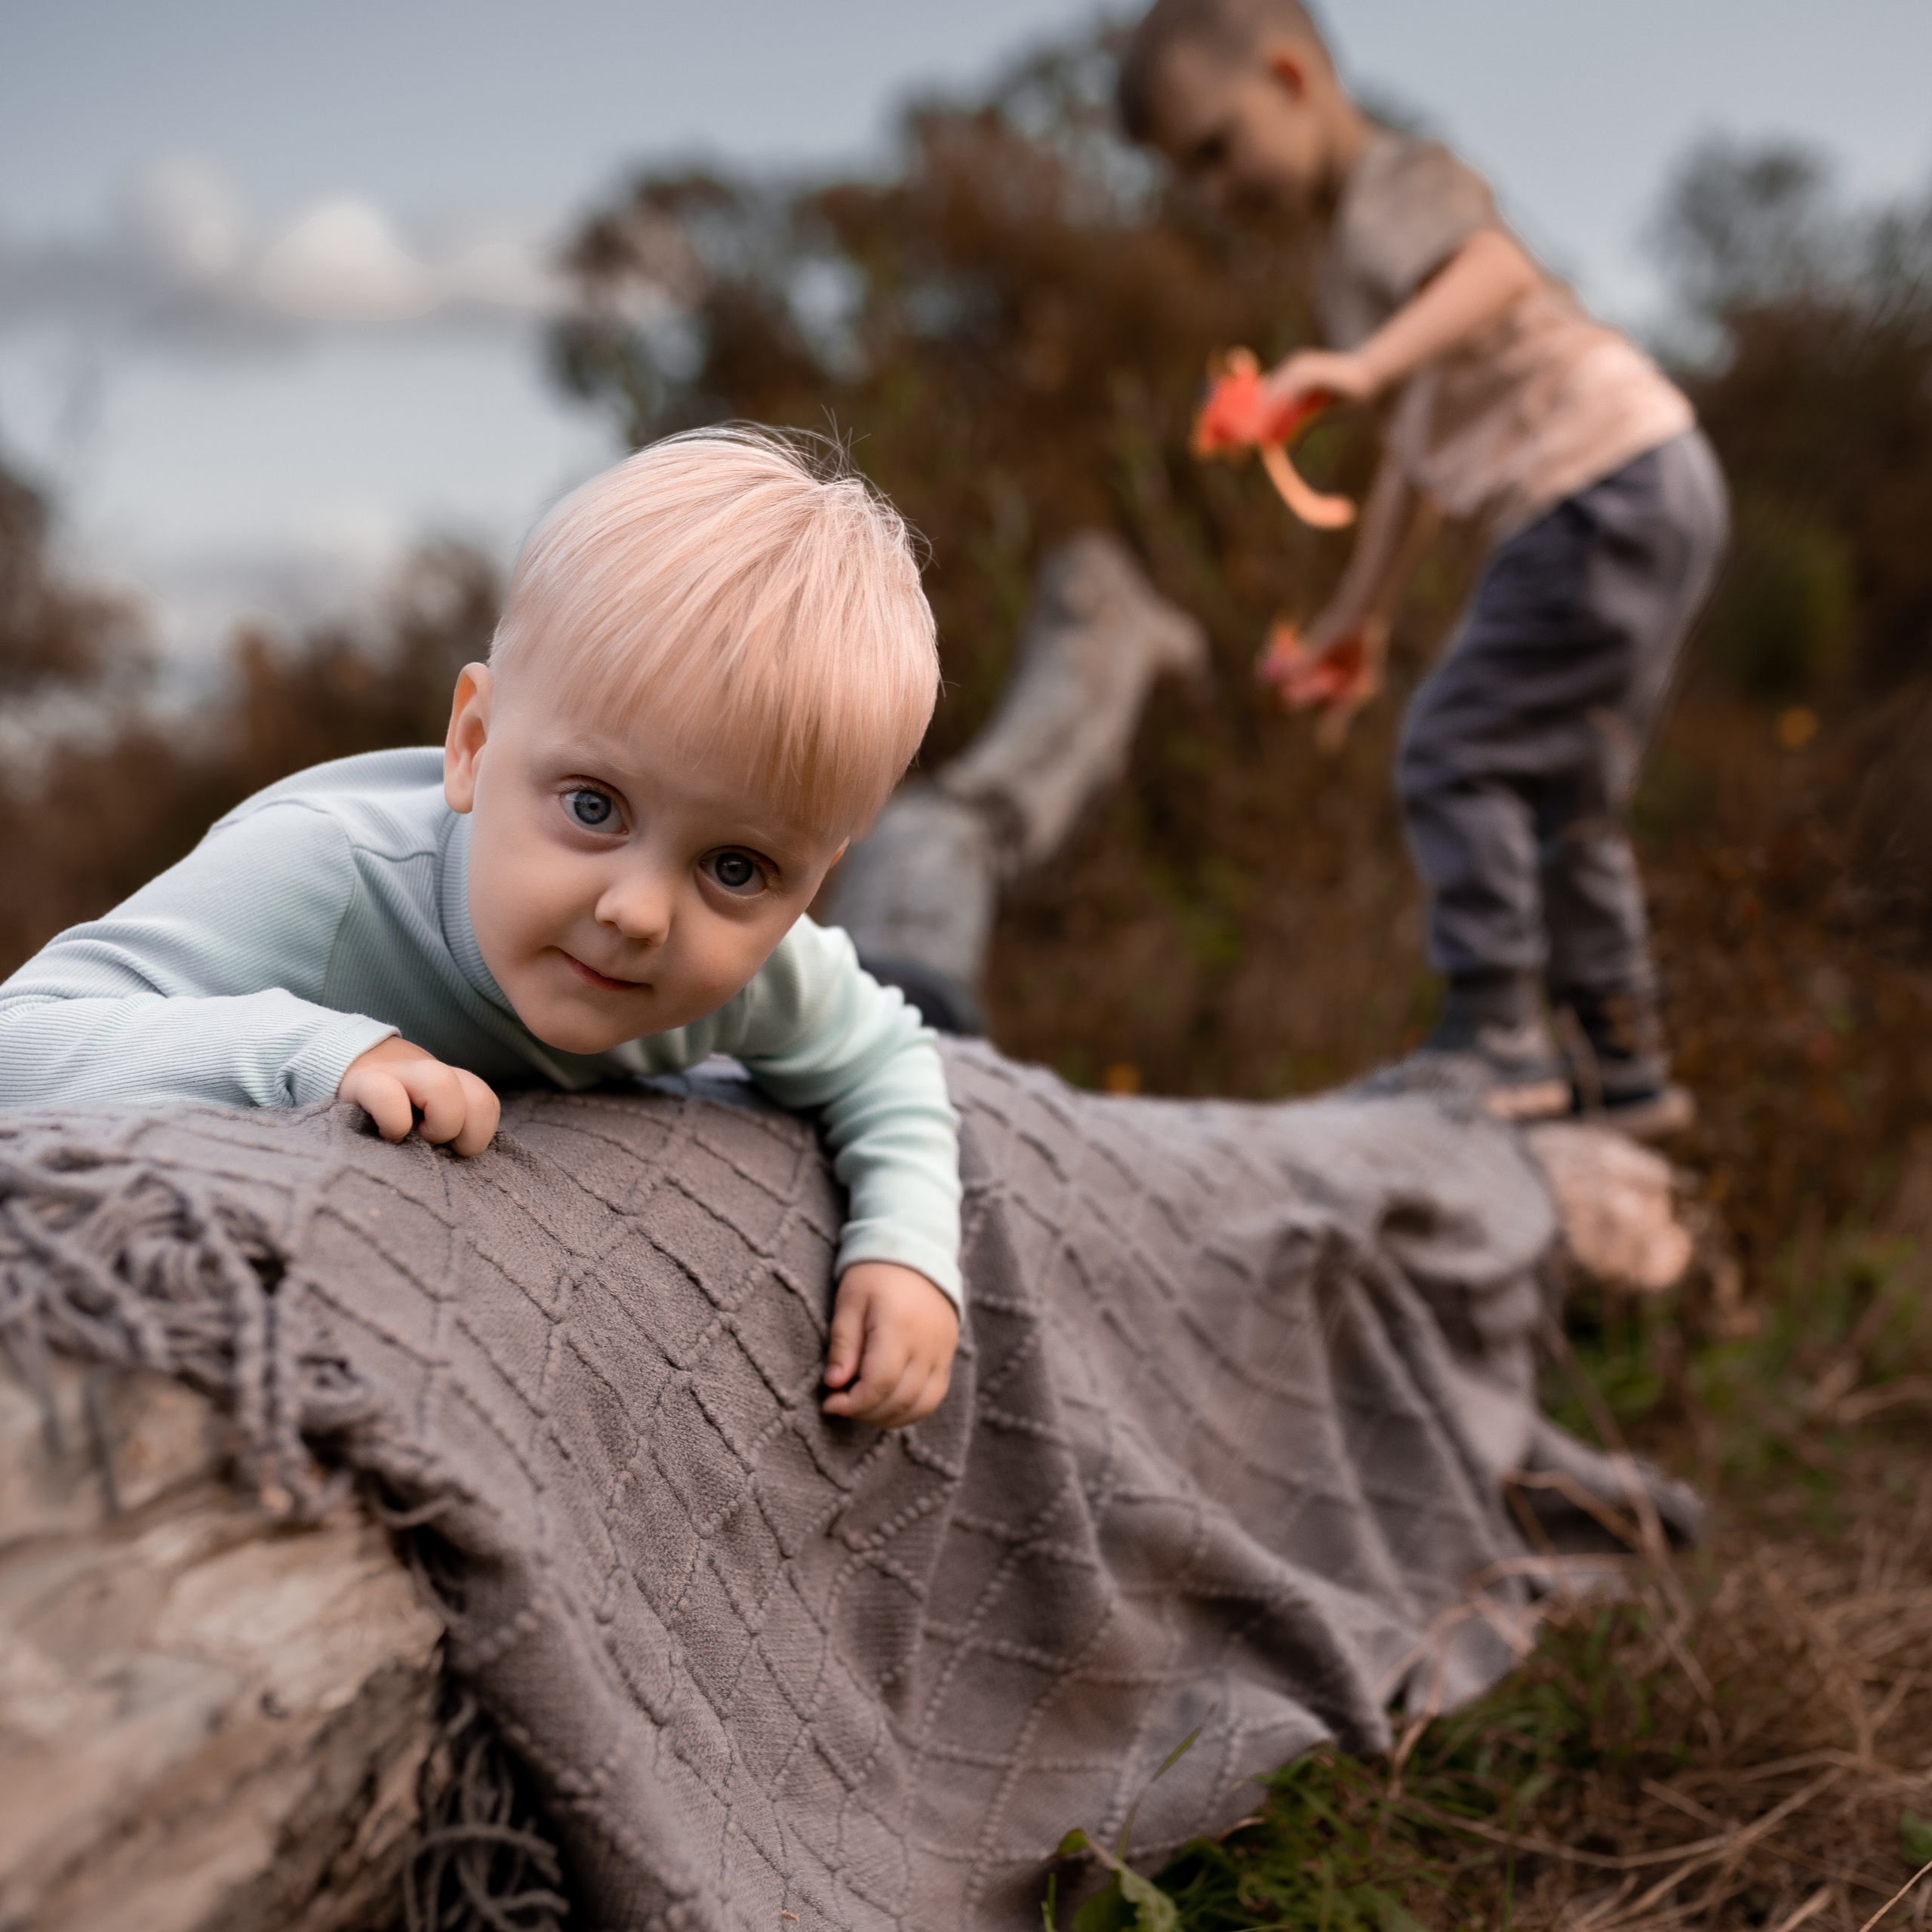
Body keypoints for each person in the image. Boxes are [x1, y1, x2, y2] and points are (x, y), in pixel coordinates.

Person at [0, 429, 963, 1427]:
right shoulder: (323, 879)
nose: (637, 914)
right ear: (472, 742)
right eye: (593, 807)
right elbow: (19, 1040)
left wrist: (908, 1249)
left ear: (812, 883)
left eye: (736, 868)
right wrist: (315, 1052)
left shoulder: (763, 973)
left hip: (862, 974)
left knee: (932, 1008)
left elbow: (885, 1058)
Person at [1118, 0, 1730, 1137]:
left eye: (1216, 149)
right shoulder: (1355, 258)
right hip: (1652, 474)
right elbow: (1417, 458)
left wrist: (1361, 366)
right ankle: (1624, 1065)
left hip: (1595, 481)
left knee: (1455, 750)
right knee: (1569, 792)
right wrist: (1360, 619)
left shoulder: (1391, 184)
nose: (1213, 190)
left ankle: (1497, 1035)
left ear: (1291, 79)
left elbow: (1497, 267)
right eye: (1187, 175)